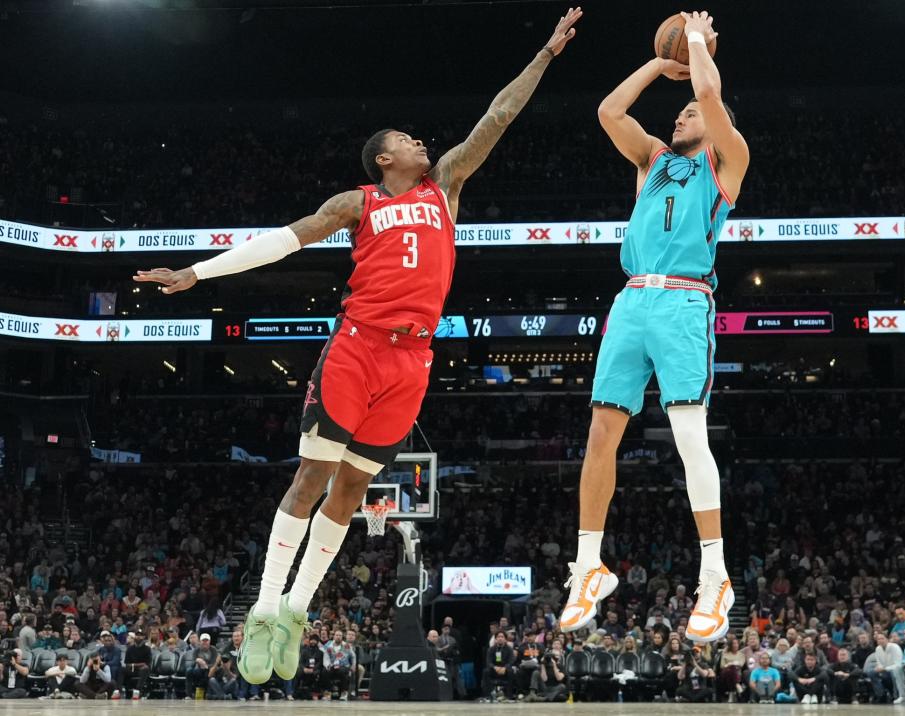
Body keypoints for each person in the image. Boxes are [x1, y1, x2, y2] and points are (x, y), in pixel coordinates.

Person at [132, 7, 583, 688]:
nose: (419, 140)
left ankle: (295, 610)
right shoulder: (359, 201)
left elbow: (497, 117)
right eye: (405, 137)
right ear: (384, 158)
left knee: (352, 490)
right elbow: (285, 238)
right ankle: (261, 608)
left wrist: (546, 54)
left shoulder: (446, 187)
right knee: (311, 479)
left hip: (414, 361)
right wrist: (197, 272)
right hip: (358, 347)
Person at [560, 9, 748, 644]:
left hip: (684, 304)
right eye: (680, 113)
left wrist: (695, 41)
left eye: (688, 114)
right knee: (600, 434)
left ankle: (714, 575)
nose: (681, 115)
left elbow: (709, 94)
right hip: (631, 303)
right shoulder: (652, 161)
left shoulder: (728, 161)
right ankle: (588, 565)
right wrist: (656, 64)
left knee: (689, 438)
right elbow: (610, 113)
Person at [869, 630, 905, 704]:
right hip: (884, 670)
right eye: (878, 639)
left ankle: (896, 695)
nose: (880, 640)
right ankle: (881, 694)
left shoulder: (895, 647)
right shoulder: (877, 649)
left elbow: (898, 664)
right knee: (871, 673)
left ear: (887, 639)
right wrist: (880, 668)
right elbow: (879, 662)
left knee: (893, 673)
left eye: (882, 638)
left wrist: (885, 668)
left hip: (895, 670)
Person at [123, 629, 152, 698]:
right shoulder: (130, 649)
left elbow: (147, 664)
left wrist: (133, 665)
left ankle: (137, 690)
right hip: (132, 670)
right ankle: (118, 690)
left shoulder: (147, 649)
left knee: (145, 669)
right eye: (137, 635)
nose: (138, 637)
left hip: (142, 671)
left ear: (144, 637)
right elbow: (127, 663)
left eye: (141, 635)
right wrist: (138, 664)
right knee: (121, 669)